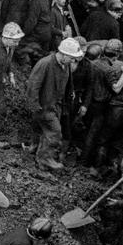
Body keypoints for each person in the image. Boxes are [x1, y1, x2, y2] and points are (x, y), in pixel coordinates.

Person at [28, 39, 82, 171]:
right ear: (63, 54)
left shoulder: (66, 65)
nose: (73, 61)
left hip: (56, 105)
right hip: (44, 106)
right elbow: (33, 85)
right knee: (55, 133)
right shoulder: (45, 64)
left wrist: (70, 98)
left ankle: (36, 152)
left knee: (44, 131)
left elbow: (69, 84)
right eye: (72, 58)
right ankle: (45, 159)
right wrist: (35, 106)